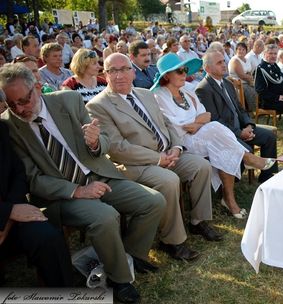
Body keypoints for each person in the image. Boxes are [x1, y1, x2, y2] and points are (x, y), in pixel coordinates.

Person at [0, 64, 166, 303]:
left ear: (37, 88)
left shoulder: (68, 100)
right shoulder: (8, 125)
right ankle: (120, 280)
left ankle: (130, 257)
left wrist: (96, 143)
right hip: (61, 194)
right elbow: (32, 179)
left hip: (99, 175)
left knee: (153, 201)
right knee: (105, 217)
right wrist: (77, 190)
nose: (19, 109)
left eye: (24, 101)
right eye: (11, 103)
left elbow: (104, 142)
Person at [86, 53, 223, 262]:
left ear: (133, 72)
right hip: (135, 164)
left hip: (168, 153)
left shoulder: (145, 93)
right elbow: (117, 148)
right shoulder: (98, 105)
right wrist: (158, 158)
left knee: (201, 166)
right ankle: (172, 241)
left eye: (124, 69)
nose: (119, 75)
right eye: (113, 70)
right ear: (105, 74)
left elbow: (167, 124)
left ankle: (198, 221)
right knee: (169, 180)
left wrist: (176, 147)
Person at [151, 54, 275, 218]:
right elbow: (177, 126)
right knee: (216, 131)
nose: (184, 74)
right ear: (167, 75)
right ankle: (247, 159)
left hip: (204, 135)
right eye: (179, 71)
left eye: (185, 70)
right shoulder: (159, 97)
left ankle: (229, 199)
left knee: (221, 144)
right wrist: (197, 122)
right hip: (181, 142)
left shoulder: (187, 91)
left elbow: (207, 115)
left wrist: (196, 124)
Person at [0, 117, 73, 287]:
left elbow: (17, 173)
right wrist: (5, 212)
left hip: (11, 213)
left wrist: (10, 214)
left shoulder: (1, 129)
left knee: (48, 237)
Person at [196, 51, 278, 183]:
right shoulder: (203, 89)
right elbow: (215, 121)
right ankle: (232, 181)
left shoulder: (227, 83)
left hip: (240, 127)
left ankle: (267, 177)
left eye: (224, 61)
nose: (224, 65)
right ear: (207, 68)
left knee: (269, 137)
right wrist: (240, 134)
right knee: (247, 149)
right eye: (219, 63)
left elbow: (240, 109)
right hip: (224, 135)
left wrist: (249, 125)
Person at [254, 44, 283, 143]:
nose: (273, 56)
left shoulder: (274, 65)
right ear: (265, 54)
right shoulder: (261, 68)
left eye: (275, 54)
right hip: (268, 100)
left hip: (280, 96)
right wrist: (276, 97)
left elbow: (282, 82)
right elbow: (260, 90)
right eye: (270, 53)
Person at [228, 42, 256, 111]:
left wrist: (251, 79)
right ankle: (252, 109)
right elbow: (241, 75)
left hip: (247, 80)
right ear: (236, 50)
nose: (241, 51)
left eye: (243, 49)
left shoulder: (246, 59)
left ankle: (259, 107)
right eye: (239, 49)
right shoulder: (235, 60)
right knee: (251, 90)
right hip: (238, 83)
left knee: (259, 87)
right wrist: (251, 79)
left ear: (246, 51)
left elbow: (249, 71)